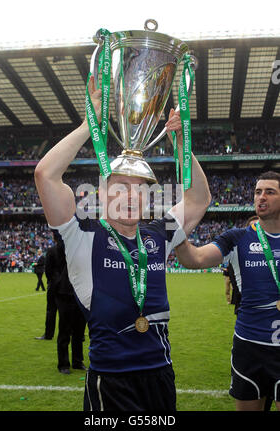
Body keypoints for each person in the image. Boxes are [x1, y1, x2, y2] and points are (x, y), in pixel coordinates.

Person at [34, 76, 211, 411]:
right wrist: (90, 123)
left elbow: (199, 199)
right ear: (101, 194)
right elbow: (46, 175)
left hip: (161, 376)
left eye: (139, 188)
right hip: (110, 381)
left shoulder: (159, 234)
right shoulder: (81, 235)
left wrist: (180, 143)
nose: (130, 195)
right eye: (119, 186)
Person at [175, 171, 280, 411]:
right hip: (249, 346)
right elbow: (195, 259)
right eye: (257, 192)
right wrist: (178, 234)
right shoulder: (238, 238)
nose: (261, 197)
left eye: (270, 192)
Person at [53, 239, 86, 374]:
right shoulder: (65, 245)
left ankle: (78, 362)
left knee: (79, 331)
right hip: (65, 293)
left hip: (81, 294)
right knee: (65, 330)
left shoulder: (86, 248)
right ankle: (63, 364)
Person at [35, 241, 58, 340]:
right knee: (66, 311)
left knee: (51, 310)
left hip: (54, 284)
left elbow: (48, 269)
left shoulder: (52, 250)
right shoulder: (70, 249)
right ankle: (68, 332)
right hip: (67, 284)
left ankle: (49, 334)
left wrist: (50, 280)